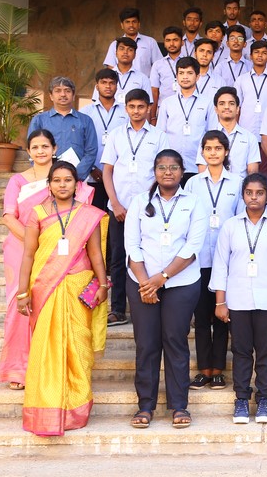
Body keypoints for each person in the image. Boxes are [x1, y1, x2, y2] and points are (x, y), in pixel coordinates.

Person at [14, 161, 107, 436]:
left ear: (77, 185)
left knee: (78, 347)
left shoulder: (88, 215)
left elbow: (96, 254)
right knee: (47, 348)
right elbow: (28, 255)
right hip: (45, 287)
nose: (62, 184)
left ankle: (76, 408)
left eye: (68, 180)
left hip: (78, 287)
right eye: (57, 180)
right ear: (49, 184)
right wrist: (22, 292)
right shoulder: (37, 213)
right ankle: (47, 408)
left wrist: (103, 284)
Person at [0, 130, 95, 391]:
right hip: (22, 248)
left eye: (45, 146)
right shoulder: (18, 181)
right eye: (35, 147)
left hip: (60, 251)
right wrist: (37, 241)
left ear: (54, 148)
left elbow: (80, 214)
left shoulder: (64, 177)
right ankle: (18, 369)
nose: (40, 151)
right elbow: (8, 217)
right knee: (19, 305)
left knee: (52, 303)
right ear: (28, 152)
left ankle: (53, 365)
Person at [125, 150, 209, 429]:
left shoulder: (194, 202)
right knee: (146, 344)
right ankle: (145, 405)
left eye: (173, 167)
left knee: (175, 341)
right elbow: (132, 246)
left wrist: (161, 278)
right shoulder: (140, 201)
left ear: (182, 171)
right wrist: (145, 283)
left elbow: (192, 247)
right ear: (155, 171)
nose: (168, 172)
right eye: (162, 167)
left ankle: (179, 405)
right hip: (142, 283)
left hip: (180, 283)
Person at [212, 173, 267, 424]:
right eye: (249, 193)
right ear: (243, 195)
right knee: (240, 351)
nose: (254, 197)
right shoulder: (231, 226)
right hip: (237, 298)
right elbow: (221, 264)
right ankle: (241, 399)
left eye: (259, 193)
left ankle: (264, 399)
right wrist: (220, 301)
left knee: (265, 352)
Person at [101, 89, 170, 326]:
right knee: (118, 257)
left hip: (149, 208)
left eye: (141, 107)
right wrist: (115, 204)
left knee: (150, 254)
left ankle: (154, 299)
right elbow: (107, 171)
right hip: (119, 208)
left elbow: (163, 171)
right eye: (132, 107)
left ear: (149, 108)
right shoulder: (116, 135)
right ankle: (118, 309)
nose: (137, 111)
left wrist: (148, 202)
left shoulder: (159, 136)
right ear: (126, 108)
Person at [186, 131, 242, 391]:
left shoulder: (237, 183)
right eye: (208, 148)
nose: (213, 153)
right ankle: (203, 369)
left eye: (218, 148)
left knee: (222, 317)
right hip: (198, 261)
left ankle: (218, 369)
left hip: (226, 261)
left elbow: (240, 222)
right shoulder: (193, 184)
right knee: (201, 317)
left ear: (226, 152)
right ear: (202, 152)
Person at [28, 76, 98, 180]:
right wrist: (47, 175)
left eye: (67, 91)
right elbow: (33, 149)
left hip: (78, 178)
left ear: (73, 95)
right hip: (47, 178)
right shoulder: (39, 120)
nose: (63, 94)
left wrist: (76, 176)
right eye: (58, 91)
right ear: (51, 96)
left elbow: (91, 151)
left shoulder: (85, 120)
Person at [156, 56, 213, 183]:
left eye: (189, 73)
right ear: (176, 76)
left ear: (197, 76)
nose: (185, 77)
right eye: (181, 73)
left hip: (198, 165)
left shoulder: (207, 103)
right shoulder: (167, 103)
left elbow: (212, 134)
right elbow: (160, 134)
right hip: (171, 167)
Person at [81, 69, 127, 211]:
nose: (108, 86)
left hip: (118, 176)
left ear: (117, 86)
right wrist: (91, 168)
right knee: (94, 217)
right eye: (104, 82)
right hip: (92, 175)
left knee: (115, 217)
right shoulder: (85, 112)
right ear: (97, 86)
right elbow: (80, 143)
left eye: (112, 83)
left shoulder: (126, 111)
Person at [194, 87, 261, 179]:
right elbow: (202, 169)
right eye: (222, 103)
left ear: (237, 109)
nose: (226, 107)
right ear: (216, 109)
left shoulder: (250, 138)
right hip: (214, 186)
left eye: (231, 103)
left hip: (240, 186)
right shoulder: (206, 138)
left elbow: (252, 173)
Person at [102, 7, 162, 77]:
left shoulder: (150, 42)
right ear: (122, 25)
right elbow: (111, 68)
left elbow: (159, 66)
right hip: (122, 83)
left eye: (134, 21)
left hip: (144, 83)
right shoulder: (115, 44)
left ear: (139, 24)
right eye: (127, 22)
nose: (131, 25)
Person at [100, 37, 152, 105]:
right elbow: (97, 102)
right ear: (116, 53)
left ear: (135, 55)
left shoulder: (143, 78)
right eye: (122, 49)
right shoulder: (103, 77)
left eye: (130, 50)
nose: (125, 52)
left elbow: (148, 105)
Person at [149, 26, 186, 114]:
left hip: (186, 108)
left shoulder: (190, 62)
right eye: (168, 40)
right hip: (164, 109)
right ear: (164, 43)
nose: (171, 44)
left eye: (175, 40)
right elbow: (154, 91)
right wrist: (153, 116)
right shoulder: (158, 65)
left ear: (182, 42)